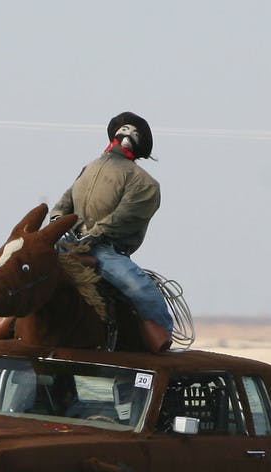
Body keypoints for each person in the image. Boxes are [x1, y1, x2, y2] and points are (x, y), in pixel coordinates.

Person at [50, 111, 173, 353]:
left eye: (132, 133)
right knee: (28, 266)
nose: (126, 136)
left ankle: (161, 335)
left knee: (140, 288)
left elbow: (124, 217)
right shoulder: (89, 168)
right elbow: (65, 202)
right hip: (68, 242)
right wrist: (57, 221)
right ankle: (4, 319)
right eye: (124, 131)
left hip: (105, 249)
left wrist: (94, 233)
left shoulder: (144, 183)